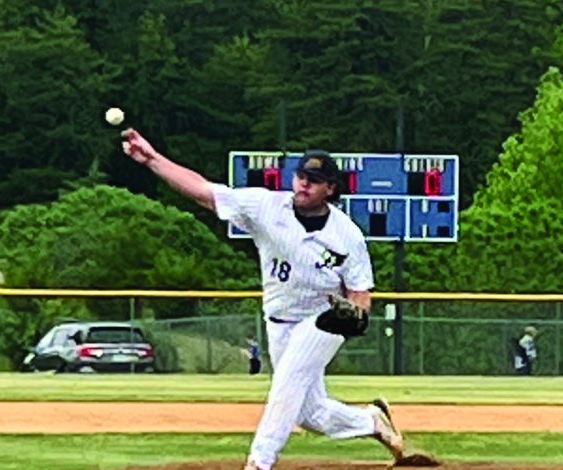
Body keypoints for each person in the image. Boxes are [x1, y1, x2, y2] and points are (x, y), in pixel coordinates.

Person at [121, 128, 403, 470]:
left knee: (286, 383)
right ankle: (371, 421)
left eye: (314, 180)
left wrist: (356, 314)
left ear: (330, 189)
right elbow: (204, 192)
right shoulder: (267, 207)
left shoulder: (348, 236)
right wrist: (152, 159)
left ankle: (259, 461)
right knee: (309, 413)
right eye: (301, 176)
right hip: (279, 321)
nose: (304, 184)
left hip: (324, 320)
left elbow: (360, 294)